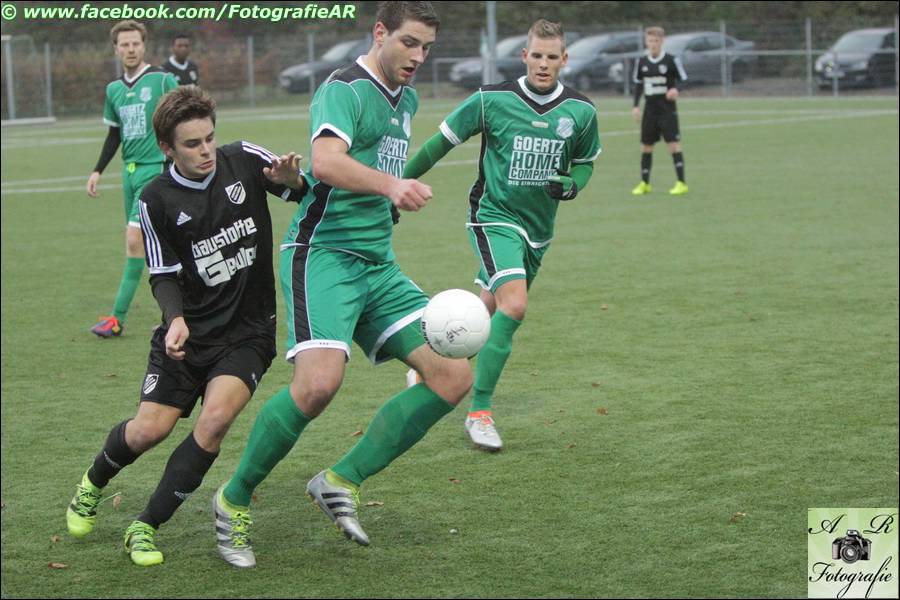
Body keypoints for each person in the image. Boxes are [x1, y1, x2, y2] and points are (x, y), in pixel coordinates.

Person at [213, 1, 472, 567]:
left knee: (453, 376)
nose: (418, 57)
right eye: (408, 42)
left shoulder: (407, 99)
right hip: (322, 255)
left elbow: (373, 166)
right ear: (380, 33)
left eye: (426, 48)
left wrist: (391, 192)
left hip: (376, 263)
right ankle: (233, 499)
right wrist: (392, 186)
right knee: (317, 386)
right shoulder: (344, 88)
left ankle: (340, 480)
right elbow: (327, 162)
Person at [65, 85, 309, 567]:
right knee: (147, 431)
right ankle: (92, 483)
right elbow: (161, 273)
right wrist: (174, 319)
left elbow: (299, 192)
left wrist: (293, 180)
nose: (206, 151)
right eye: (192, 144)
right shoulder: (155, 199)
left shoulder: (243, 158)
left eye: (209, 138)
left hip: (248, 332)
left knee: (214, 421)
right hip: (188, 334)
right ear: (167, 148)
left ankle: (145, 526)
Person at [403, 19, 601, 451]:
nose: (543, 64)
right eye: (537, 55)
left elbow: (585, 163)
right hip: (493, 216)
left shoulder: (581, 111)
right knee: (515, 305)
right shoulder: (490, 100)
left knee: (487, 307)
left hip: (539, 230)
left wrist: (573, 185)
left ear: (564, 60)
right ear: (524, 56)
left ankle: (428, 364)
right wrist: (394, 186)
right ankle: (480, 412)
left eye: (552, 57)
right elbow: (439, 144)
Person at [87, 20, 178, 337]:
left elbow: (182, 118)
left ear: (144, 45)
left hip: (156, 171)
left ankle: (117, 318)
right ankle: (178, 314)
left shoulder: (162, 80)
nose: (130, 49)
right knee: (157, 246)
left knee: (134, 239)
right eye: (124, 44)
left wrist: (176, 162)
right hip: (129, 173)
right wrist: (97, 170)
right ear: (115, 49)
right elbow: (115, 135)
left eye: (135, 43)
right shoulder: (113, 89)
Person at [630, 26, 688, 196]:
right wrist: (636, 106)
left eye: (656, 41)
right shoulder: (641, 62)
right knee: (646, 146)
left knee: (673, 145)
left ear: (662, 41)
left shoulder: (671, 60)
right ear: (646, 42)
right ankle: (645, 183)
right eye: (650, 41)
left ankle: (681, 183)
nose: (653, 44)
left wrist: (676, 89)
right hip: (650, 110)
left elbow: (683, 79)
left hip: (667, 110)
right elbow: (638, 85)